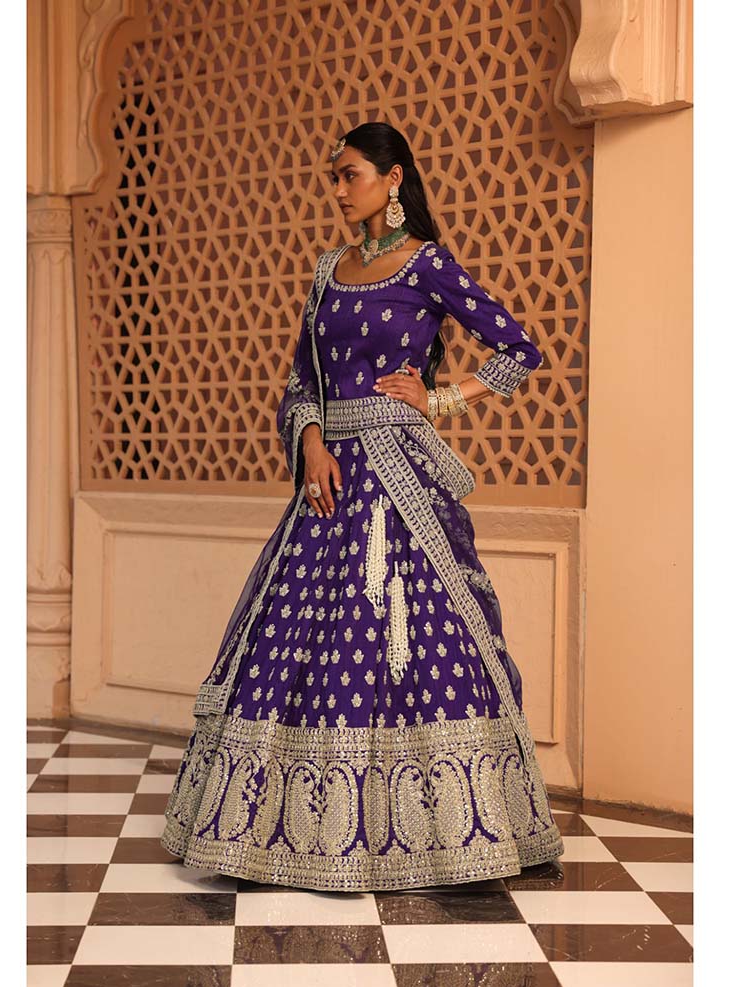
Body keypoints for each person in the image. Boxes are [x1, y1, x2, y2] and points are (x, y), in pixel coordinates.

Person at [161, 122, 564, 891]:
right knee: (298, 636)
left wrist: (441, 398)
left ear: (392, 178)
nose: (339, 189)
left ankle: (439, 831)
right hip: (329, 479)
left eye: (350, 174)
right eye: (334, 176)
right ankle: (290, 830)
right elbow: (300, 378)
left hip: (399, 477)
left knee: (407, 638)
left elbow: (518, 349)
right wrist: (311, 440)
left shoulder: (427, 264)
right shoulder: (327, 271)